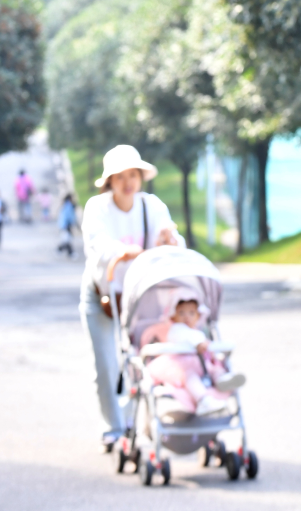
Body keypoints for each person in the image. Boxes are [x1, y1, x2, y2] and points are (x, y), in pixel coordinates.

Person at [80, 144, 184, 452]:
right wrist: (122, 252)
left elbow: (173, 240)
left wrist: (170, 240)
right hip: (103, 294)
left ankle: (136, 424)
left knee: (141, 361)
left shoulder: (151, 206)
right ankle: (113, 428)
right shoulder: (97, 209)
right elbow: (97, 247)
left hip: (139, 296)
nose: (127, 182)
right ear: (109, 181)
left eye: (133, 175)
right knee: (107, 365)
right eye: (120, 176)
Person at [141, 289, 245, 416]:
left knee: (215, 369)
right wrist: (198, 343)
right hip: (181, 366)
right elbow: (185, 337)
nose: (186, 317)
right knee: (191, 377)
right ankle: (203, 400)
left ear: (198, 316)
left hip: (201, 365)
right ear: (173, 315)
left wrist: (209, 348)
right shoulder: (176, 330)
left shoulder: (197, 331)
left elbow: (203, 344)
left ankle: (223, 380)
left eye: (191, 313)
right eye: (181, 312)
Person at [57, 193, 77, 257]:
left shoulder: (65, 205)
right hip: (66, 225)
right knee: (67, 240)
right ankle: (70, 253)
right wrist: (74, 223)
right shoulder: (69, 206)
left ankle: (60, 250)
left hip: (63, 225)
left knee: (66, 239)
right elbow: (70, 217)